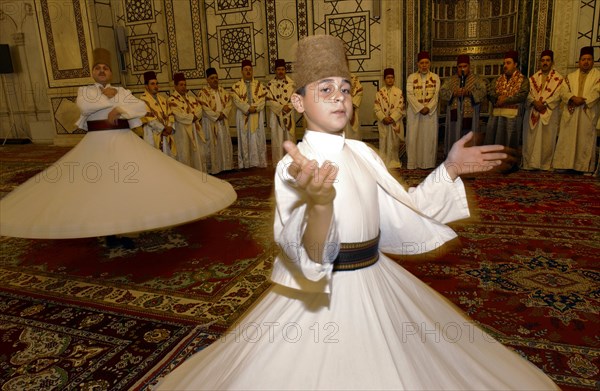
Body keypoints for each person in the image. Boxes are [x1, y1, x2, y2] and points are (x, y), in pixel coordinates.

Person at [156, 35, 559, 390]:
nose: (338, 97)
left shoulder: (363, 153)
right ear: (298, 101)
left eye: (345, 89)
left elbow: (406, 208)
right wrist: (318, 204)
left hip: (375, 274)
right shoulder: (296, 165)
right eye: (325, 88)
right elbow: (310, 254)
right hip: (326, 294)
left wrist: (449, 168)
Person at [0, 48, 236, 239]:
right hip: (96, 144)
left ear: (110, 72)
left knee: (127, 184)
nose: (101, 71)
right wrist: (109, 102)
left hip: (123, 141)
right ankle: (105, 229)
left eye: (105, 68)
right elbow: (85, 107)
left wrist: (121, 107)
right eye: (97, 68)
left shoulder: (122, 91)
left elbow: (141, 107)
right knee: (99, 187)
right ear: (92, 72)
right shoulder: (85, 91)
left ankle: (125, 225)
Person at [552, 46, 600, 174]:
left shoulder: (598, 76)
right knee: (567, 138)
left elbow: (597, 91)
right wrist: (573, 97)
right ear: (579, 61)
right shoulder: (570, 76)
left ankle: (585, 167)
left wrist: (583, 100)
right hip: (572, 111)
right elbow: (563, 91)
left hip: (587, 112)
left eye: (589, 59)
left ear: (593, 61)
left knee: (586, 140)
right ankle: (564, 164)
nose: (586, 62)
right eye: (583, 59)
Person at [522, 50, 564, 170]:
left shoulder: (559, 78)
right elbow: (527, 94)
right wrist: (535, 102)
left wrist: (544, 103)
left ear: (552, 62)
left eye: (548, 60)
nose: (545, 63)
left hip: (549, 113)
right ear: (540, 62)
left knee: (546, 140)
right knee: (531, 139)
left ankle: (544, 164)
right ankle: (530, 163)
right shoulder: (532, 78)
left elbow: (558, 95)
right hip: (533, 112)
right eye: (543, 60)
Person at [440, 54, 488, 150]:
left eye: (465, 66)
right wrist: (453, 93)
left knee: (469, 136)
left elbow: (483, 92)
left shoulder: (476, 79)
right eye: (460, 67)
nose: (462, 69)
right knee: (455, 135)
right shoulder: (450, 80)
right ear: (457, 67)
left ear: (469, 67)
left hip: (471, 115)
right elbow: (442, 92)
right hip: (455, 116)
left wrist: (469, 93)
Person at [485, 50, 529, 151]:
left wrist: (506, 100)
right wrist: (497, 98)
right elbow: (490, 92)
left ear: (515, 64)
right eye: (504, 63)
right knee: (494, 140)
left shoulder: (523, 80)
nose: (505, 65)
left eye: (508, 63)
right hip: (496, 117)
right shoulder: (497, 80)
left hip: (512, 118)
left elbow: (522, 95)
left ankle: (509, 165)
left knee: (509, 141)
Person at [406, 51, 441, 169]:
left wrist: (428, 108)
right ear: (418, 64)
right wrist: (420, 108)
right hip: (414, 113)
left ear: (430, 64)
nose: (424, 65)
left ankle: (428, 163)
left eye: (426, 63)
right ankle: (413, 163)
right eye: (422, 63)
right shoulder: (411, 77)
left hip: (430, 114)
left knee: (428, 138)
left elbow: (436, 95)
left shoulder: (435, 77)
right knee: (413, 137)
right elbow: (409, 95)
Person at [231, 59, 269, 168]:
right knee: (244, 137)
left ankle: (258, 161)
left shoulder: (259, 85)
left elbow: (263, 100)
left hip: (256, 115)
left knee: (257, 136)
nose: (248, 72)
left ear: (252, 71)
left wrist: (255, 108)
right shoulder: (236, 86)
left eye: (250, 70)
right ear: (241, 71)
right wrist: (247, 108)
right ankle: (246, 162)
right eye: (245, 70)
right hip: (243, 115)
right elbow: (236, 100)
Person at [198, 67, 234, 174]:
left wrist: (223, 113)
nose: (215, 80)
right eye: (212, 78)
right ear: (207, 80)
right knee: (213, 144)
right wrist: (216, 116)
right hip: (210, 122)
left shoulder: (222, 91)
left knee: (224, 142)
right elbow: (204, 108)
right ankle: (214, 168)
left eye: (216, 78)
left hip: (222, 121)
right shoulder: (203, 93)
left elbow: (229, 103)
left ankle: (226, 166)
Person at [169, 72, 207, 171]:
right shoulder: (171, 100)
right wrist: (192, 117)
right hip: (182, 132)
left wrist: (194, 117)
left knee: (197, 154)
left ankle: (198, 174)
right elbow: (178, 115)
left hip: (195, 129)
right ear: (175, 86)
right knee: (185, 154)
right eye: (181, 85)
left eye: (185, 84)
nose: (183, 87)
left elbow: (199, 110)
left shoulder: (191, 98)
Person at [139, 70, 176, 159]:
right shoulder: (142, 100)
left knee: (169, 161)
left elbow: (170, 114)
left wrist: (170, 127)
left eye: (156, 83)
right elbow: (149, 119)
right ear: (146, 86)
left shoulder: (163, 99)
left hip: (166, 135)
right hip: (152, 135)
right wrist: (163, 129)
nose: (156, 86)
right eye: (152, 84)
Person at [373, 67, 405, 168]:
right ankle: (383, 161)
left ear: (394, 78)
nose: (390, 79)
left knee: (394, 142)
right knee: (384, 141)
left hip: (394, 122)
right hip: (384, 122)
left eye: (392, 77)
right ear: (384, 79)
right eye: (388, 78)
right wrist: (383, 118)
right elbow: (376, 108)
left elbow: (401, 107)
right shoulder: (379, 93)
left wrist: (392, 117)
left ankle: (394, 161)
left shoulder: (398, 92)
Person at [266, 59, 296, 165]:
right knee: (277, 140)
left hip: (289, 115)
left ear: (285, 70)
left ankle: (291, 163)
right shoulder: (270, 85)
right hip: (276, 116)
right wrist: (282, 107)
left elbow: (296, 98)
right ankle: (278, 163)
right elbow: (269, 101)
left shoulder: (292, 84)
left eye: (282, 69)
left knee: (290, 138)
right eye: (278, 69)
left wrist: (289, 106)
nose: (280, 71)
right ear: (275, 70)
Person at [344, 73, 364, 140]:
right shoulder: (334, 77)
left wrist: (352, 106)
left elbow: (359, 91)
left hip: (353, 109)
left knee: (352, 134)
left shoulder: (354, 78)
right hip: (339, 110)